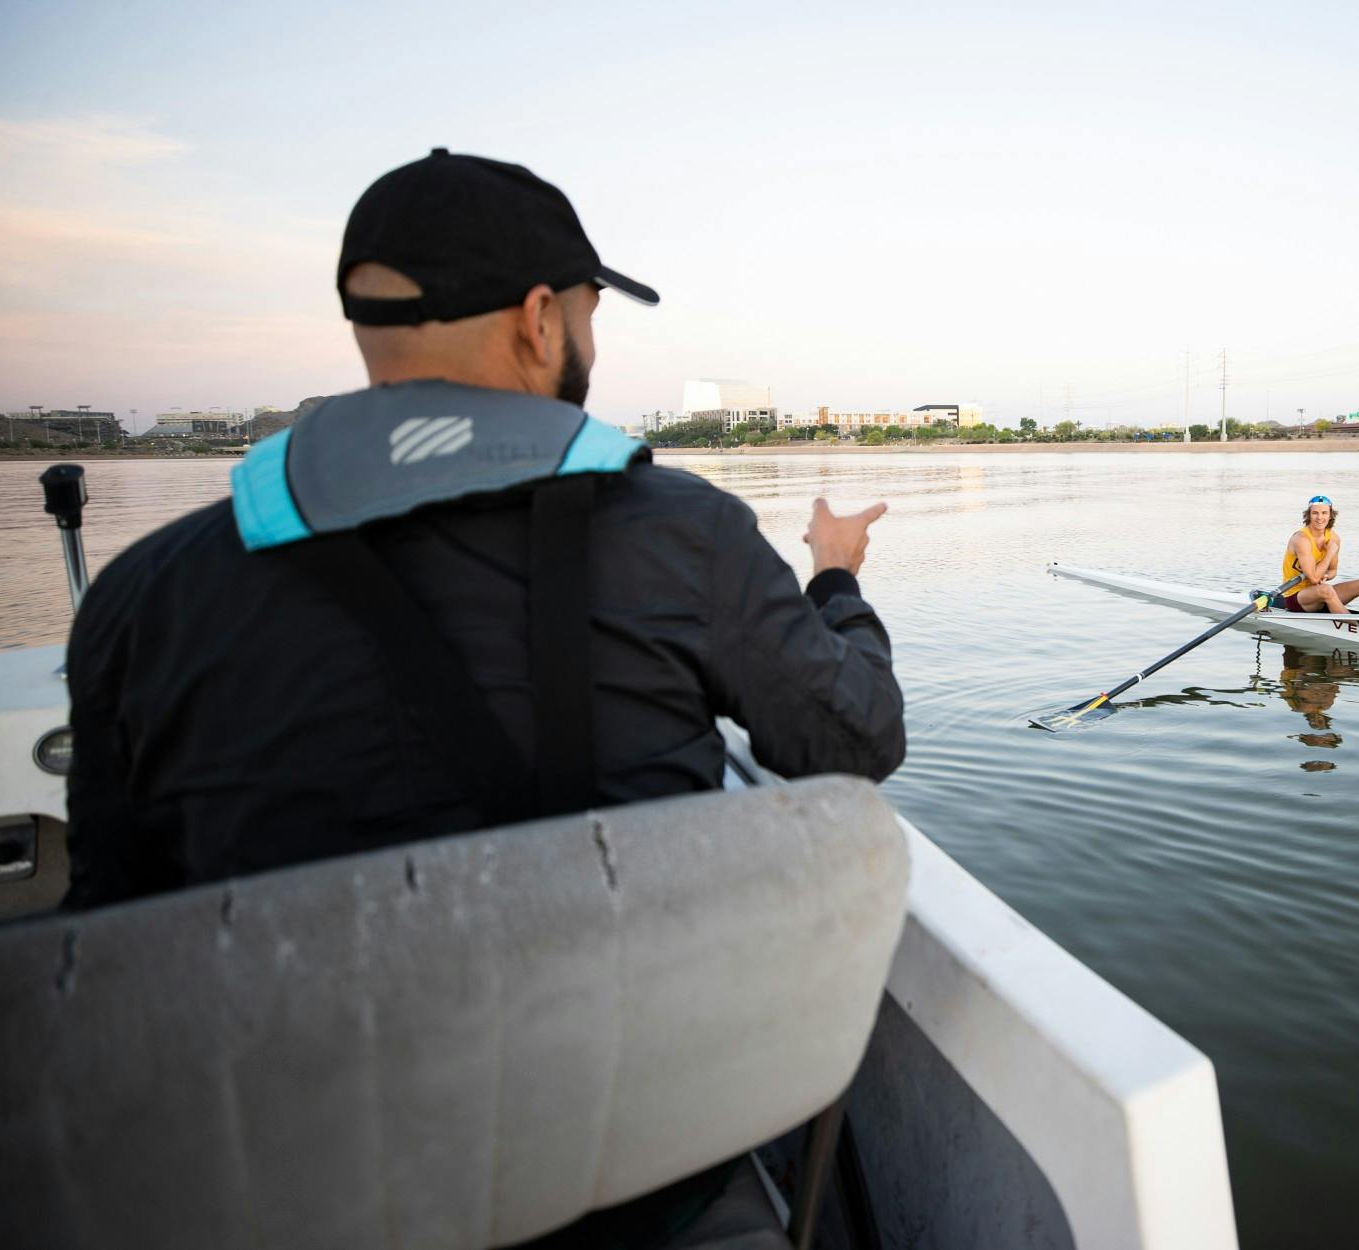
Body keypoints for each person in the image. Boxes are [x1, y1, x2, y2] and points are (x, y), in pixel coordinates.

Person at [62, 148, 906, 909]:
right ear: (539, 322)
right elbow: (854, 739)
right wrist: (835, 577)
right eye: (590, 315)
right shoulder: (688, 533)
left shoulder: (139, 596)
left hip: (296, 1073)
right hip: (640, 1066)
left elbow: (109, 914)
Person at [1277, 494, 1359, 614]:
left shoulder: (1334, 538)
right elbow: (1314, 579)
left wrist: (1326, 576)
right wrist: (1329, 553)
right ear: (1309, 515)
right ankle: (1357, 628)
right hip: (1296, 597)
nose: (1320, 518)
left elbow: (1333, 571)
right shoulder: (1301, 539)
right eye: (1315, 513)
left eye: (1324, 513)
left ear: (1330, 515)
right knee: (1326, 589)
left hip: (1319, 593)